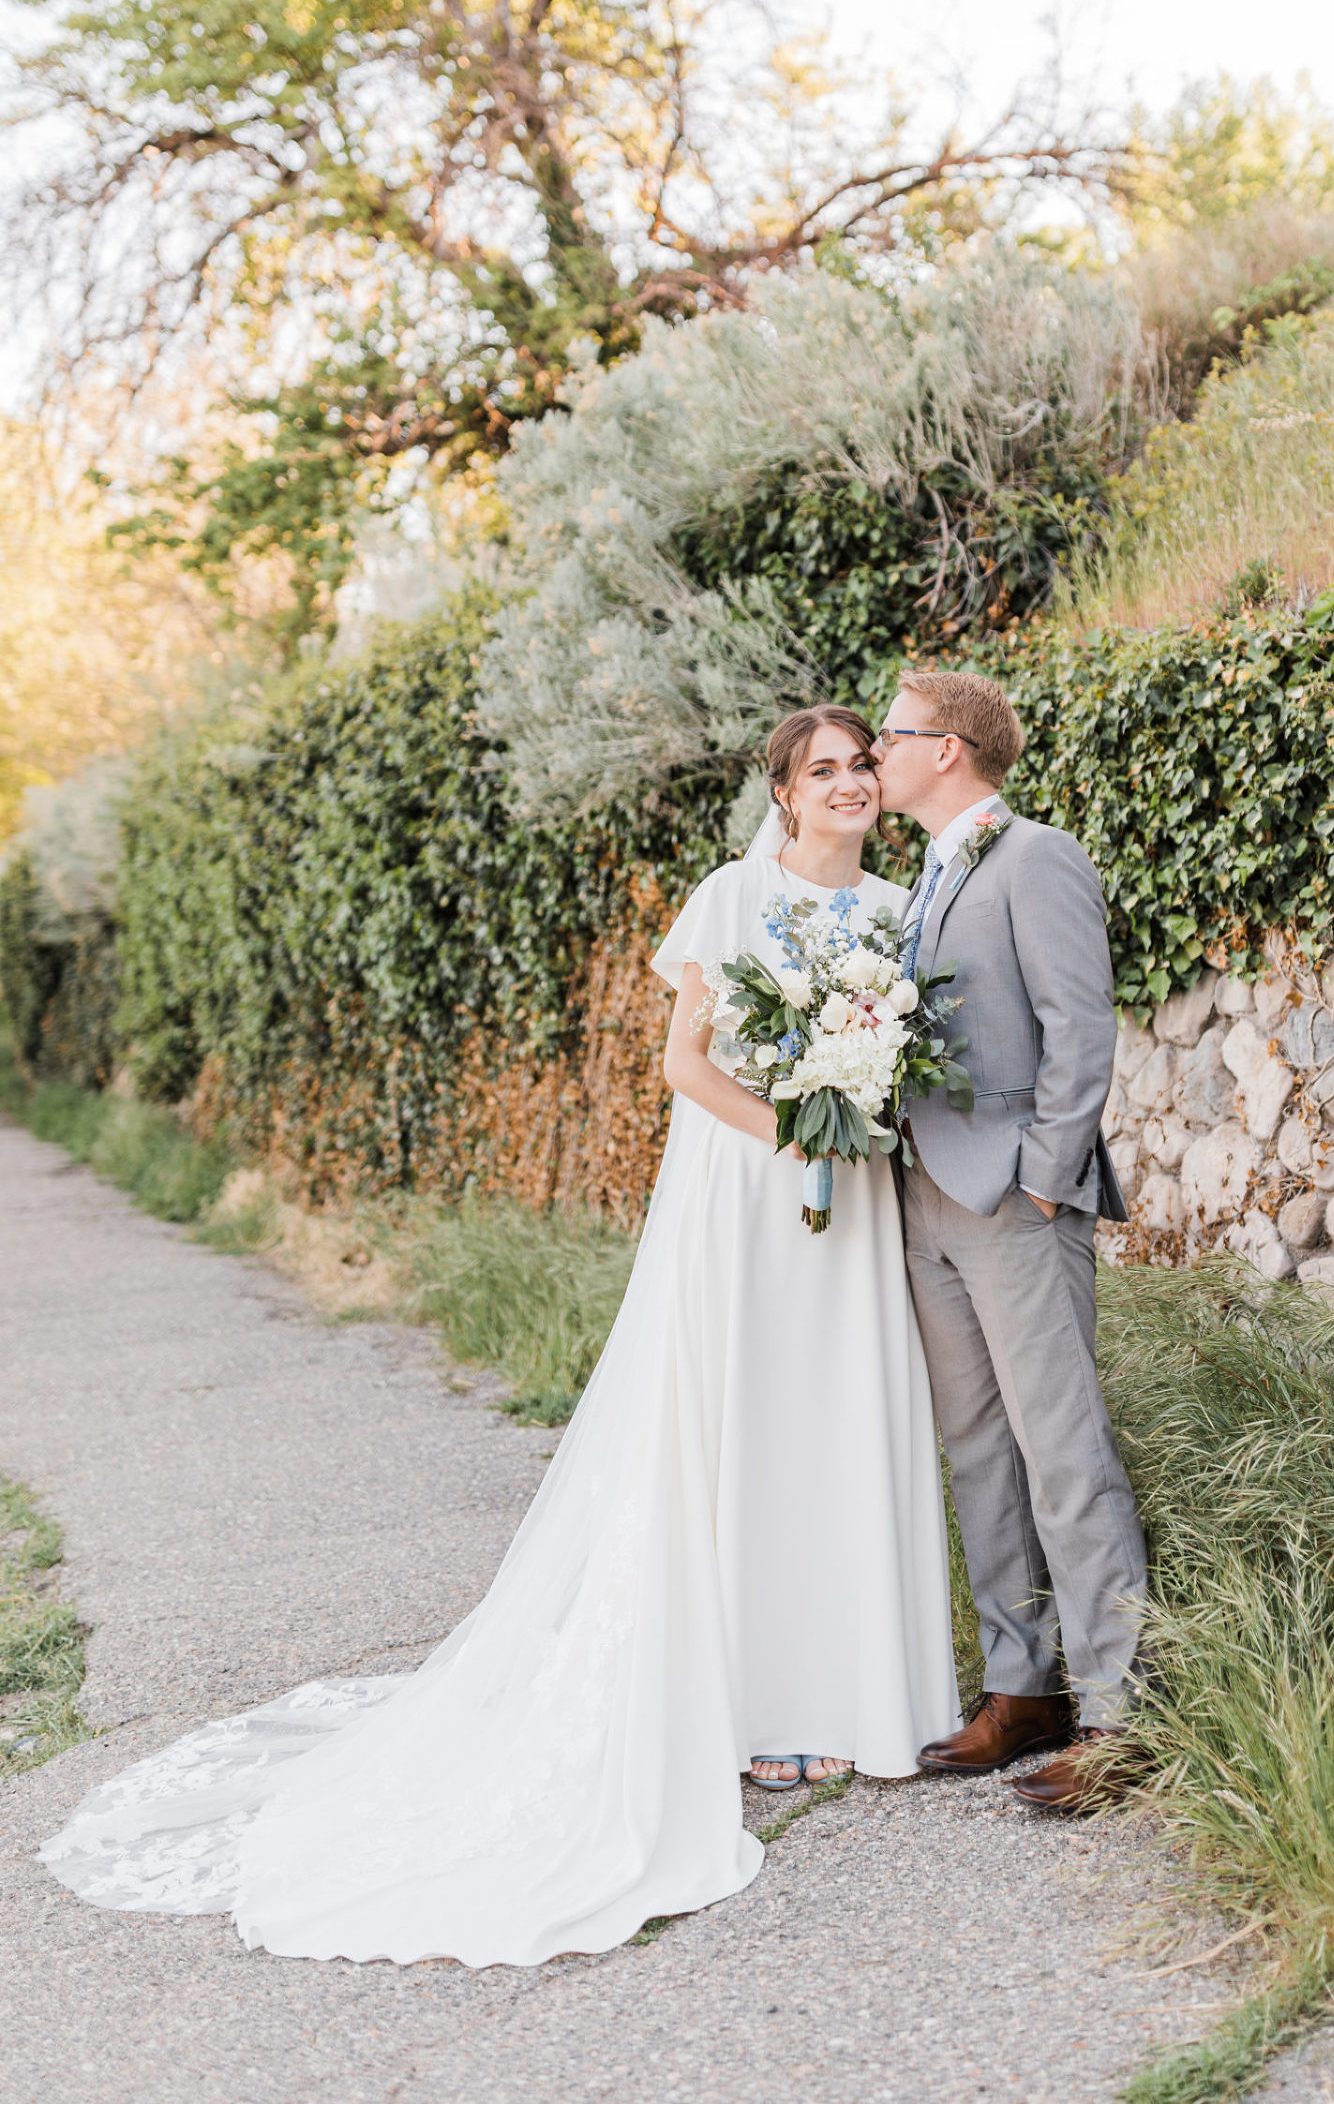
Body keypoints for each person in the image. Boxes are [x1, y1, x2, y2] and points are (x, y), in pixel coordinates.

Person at [38, 705, 958, 1967]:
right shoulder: (730, 897)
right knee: (736, 1420)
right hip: (745, 1189)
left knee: (834, 1416)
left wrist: (860, 1097)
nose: (850, 784)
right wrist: (793, 1124)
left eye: (862, 766)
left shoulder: (899, 912)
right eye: (824, 771)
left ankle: (854, 1693)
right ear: (784, 794)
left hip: (849, 1198)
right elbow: (686, 1065)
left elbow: (908, 1046)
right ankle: (748, 1703)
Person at [874, 669, 1149, 1813]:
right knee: (979, 1453)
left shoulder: (1033, 855)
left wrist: (1043, 1183)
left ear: (947, 749)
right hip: (923, 1198)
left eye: (890, 733)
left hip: (1015, 1206)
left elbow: (1081, 1025)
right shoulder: (919, 880)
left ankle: (1121, 1710)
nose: (875, 750)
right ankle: (1020, 1685)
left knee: (1062, 1452)